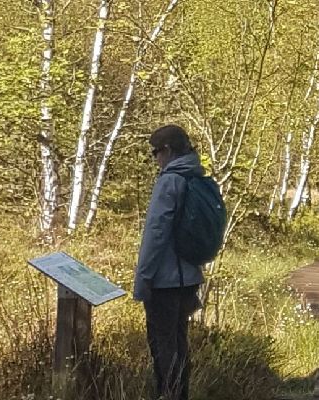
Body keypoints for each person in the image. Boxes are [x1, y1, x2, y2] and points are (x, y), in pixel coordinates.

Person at [136, 124, 208, 400]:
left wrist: (142, 279)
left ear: (166, 150)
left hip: (164, 282)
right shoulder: (196, 178)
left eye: (155, 152)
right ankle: (181, 395)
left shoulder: (170, 181)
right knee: (179, 344)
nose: (155, 159)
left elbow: (155, 234)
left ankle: (169, 396)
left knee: (163, 348)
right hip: (189, 279)